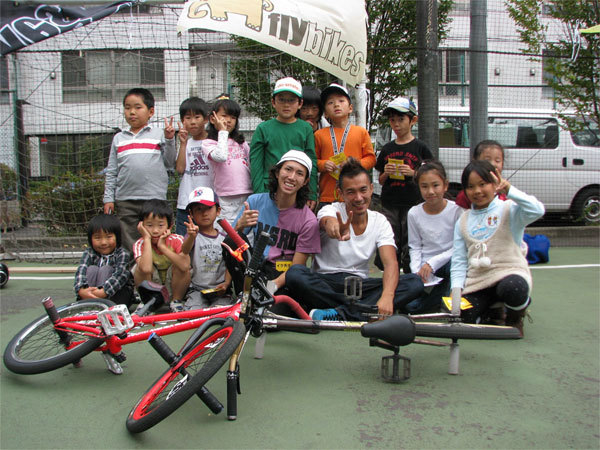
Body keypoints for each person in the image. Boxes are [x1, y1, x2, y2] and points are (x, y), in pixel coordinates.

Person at [285, 158, 423, 321]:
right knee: (295, 274)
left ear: (371, 189)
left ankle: (338, 313)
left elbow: (390, 263)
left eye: (363, 190)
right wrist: (335, 228)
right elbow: (327, 221)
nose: (358, 198)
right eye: (351, 192)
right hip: (325, 282)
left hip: (360, 286)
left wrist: (387, 296)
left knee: (414, 282)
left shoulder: (380, 221)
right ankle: (361, 310)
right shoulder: (330, 209)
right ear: (340, 193)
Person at [450, 160, 545, 336]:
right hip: (478, 281)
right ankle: (493, 310)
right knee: (461, 314)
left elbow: (537, 210)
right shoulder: (463, 220)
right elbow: (459, 260)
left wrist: (510, 190)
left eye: (482, 184)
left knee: (514, 289)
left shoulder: (509, 209)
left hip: (508, 273)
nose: (477, 191)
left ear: (494, 184)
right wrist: (456, 291)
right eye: (470, 186)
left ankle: (515, 317)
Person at [228, 150, 320, 295]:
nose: (292, 177)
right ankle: (243, 294)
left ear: (305, 181)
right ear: (277, 172)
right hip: (254, 267)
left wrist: (271, 287)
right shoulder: (254, 201)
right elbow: (230, 245)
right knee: (230, 241)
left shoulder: (308, 220)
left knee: (294, 276)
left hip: (282, 276)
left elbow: (297, 268)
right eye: (288, 169)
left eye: (299, 173)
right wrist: (240, 226)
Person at [103, 88, 176, 253]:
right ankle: (132, 268)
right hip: (125, 200)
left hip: (154, 199)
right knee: (129, 240)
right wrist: (108, 198)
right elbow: (112, 171)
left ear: (151, 112)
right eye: (127, 108)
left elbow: (170, 163)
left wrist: (170, 139)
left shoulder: (159, 134)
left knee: (156, 238)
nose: (132, 112)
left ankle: (154, 268)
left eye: (137, 107)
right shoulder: (119, 138)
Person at [374, 97, 433, 273]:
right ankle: (389, 270)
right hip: (390, 202)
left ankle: (410, 271)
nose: (396, 124)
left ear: (413, 120)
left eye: (401, 119)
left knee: (410, 237)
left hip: (413, 202)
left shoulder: (420, 147)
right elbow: (381, 180)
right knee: (390, 236)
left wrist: (413, 173)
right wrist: (386, 172)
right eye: (392, 120)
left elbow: (429, 175)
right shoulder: (387, 148)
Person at [404, 161, 464, 314]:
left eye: (435, 185)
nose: (430, 191)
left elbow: (459, 247)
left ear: (445, 185)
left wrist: (432, 263)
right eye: (424, 186)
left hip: (448, 264)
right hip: (426, 271)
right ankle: (438, 299)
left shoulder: (457, 211)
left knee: (455, 265)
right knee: (411, 307)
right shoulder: (414, 213)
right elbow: (414, 246)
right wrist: (417, 273)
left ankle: (447, 298)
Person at [249, 77, 318, 209]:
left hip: (297, 190)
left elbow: (311, 163)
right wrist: (258, 195)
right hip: (268, 189)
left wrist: (312, 193)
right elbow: (256, 165)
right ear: (273, 102)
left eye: (291, 100)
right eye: (281, 99)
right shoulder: (263, 129)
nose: (286, 105)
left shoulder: (306, 129)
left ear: (300, 103)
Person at [314, 83, 376, 206]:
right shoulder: (319, 135)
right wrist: (323, 164)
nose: (336, 105)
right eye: (330, 103)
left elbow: (371, 159)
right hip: (328, 196)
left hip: (355, 195)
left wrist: (354, 164)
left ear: (350, 108)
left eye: (341, 101)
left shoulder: (361, 132)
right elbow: (313, 161)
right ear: (325, 113)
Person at [132, 199, 191, 312]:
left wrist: (162, 247)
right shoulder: (140, 243)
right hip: (152, 287)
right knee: (139, 267)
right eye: (149, 225)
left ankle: (176, 302)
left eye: (160, 225)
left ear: (169, 226)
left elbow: (185, 266)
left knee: (180, 264)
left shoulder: (177, 239)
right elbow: (146, 269)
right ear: (141, 226)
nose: (155, 231)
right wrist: (147, 239)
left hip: (173, 286)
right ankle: (146, 302)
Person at [181, 187, 233, 310]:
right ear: (191, 214)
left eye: (208, 208)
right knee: (193, 313)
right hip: (197, 289)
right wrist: (191, 236)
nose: (204, 213)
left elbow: (229, 264)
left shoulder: (224, 238)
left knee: (221, 312)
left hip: (220, 290)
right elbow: (185, 251)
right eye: (198, 209)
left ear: (218, 210)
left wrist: (226, 283)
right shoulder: (193, 236)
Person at [202, 96, 252, 225]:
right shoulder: (208, 143)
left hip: (246, 193)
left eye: (233, 117)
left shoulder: (241, 143)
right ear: (213, 118)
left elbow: (250, 164)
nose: (229, 120)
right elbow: (220, 156)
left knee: (246, 228)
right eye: (224, 116)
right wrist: (222, 132)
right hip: (225, 197)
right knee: (227, 229)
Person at [74, 214, 134, 307]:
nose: (103, 242)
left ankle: (99, 305)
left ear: (117, 237)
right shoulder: (89, 252)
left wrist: (104, 291)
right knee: (92, 269)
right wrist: (81, 290)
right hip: (92, 294)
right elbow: (81, 271)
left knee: (106, 269)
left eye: (108, 237)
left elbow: (120, 276)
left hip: (117, 297)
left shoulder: (122, 253)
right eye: (97, 238)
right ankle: (89, 304)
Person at [175, 96, 210, 236]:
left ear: (206, 119)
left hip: (209, 203)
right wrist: (183, 144)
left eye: (197, 117)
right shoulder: (186, 143)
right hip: (186, 203)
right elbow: (180, 169)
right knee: (184, 243)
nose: (193, 122)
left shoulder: (213, 141)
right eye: (188, 118)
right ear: (183, 120)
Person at [455, 139, 507, 209]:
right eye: (487, 160)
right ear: (475, 161)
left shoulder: (506, 193)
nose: (492, 164)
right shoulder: (464, 196)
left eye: (497, 161)